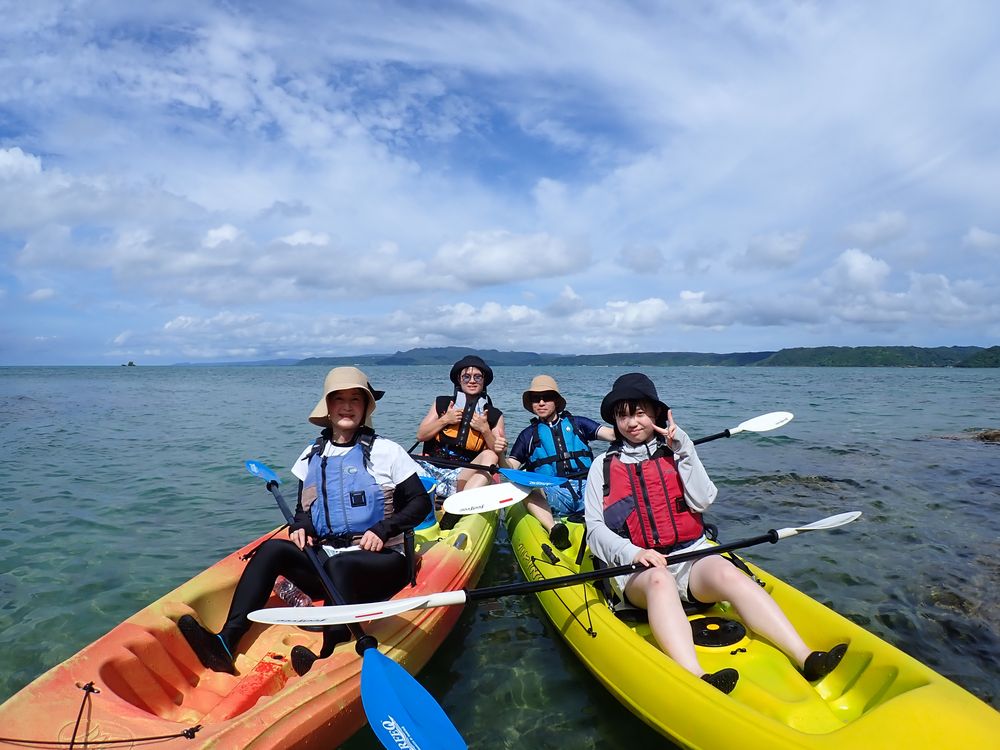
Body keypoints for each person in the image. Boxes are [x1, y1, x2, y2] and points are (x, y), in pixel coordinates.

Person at [584, 372, 847, 694]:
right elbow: (594, 529)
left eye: (639, 413)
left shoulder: (677, 452)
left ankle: (805, 656)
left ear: (656, 414)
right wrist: (634, 552)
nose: (631, 423)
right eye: (623, 416)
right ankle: (695, 676)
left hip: (689, 556)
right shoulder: (602, 466)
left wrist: (685, 450)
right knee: (659, 579)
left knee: (729, 572)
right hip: (639, 570)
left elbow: (703, 500)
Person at [178, 367, 432, 676]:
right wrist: (302, 527)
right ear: (328, 406)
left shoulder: (386, 452)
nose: (347, 406)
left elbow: (420, 503)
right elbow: (304, 510)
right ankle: (227, 641)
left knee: (341, 565)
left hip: (382, 564)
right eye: (339, 399)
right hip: (329, 563)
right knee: (273, 549)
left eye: (355, 399)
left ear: (366, 406)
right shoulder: (312, 454)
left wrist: (383, 529)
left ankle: (328, 655)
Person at [505, 374, 614, 550]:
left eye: (546, 397)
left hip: (588, 490)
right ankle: (554, 529)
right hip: (553, 494)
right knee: (526, 486)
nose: (541, 403)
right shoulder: (527, 436)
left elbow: (612, 435)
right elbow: (511, 468)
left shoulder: (579, 424)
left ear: (556, 401)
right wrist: (499, 453)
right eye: (536, 399)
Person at [415, 355, 507, 526]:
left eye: (477, 377)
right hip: (432, 470)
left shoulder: (494, 415)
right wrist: (445, 420)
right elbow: (421, 435)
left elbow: (499, 454)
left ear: (484, 381)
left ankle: (456, 509)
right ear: (459, 379)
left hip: (462, 477)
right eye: (466, 376)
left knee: (490, 455)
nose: (472, 381)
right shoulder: (442, 404)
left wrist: (485, 429)